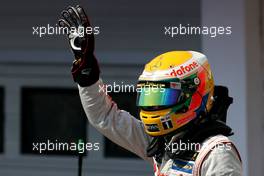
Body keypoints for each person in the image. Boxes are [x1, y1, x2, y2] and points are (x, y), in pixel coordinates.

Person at [58, 5, 242, 176]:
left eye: (162, 96)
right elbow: (105, 117)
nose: (153, 107)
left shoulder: (216, 152)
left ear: (192, 95)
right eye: (148, 95)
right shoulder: (163, 141)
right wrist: (86, 72)